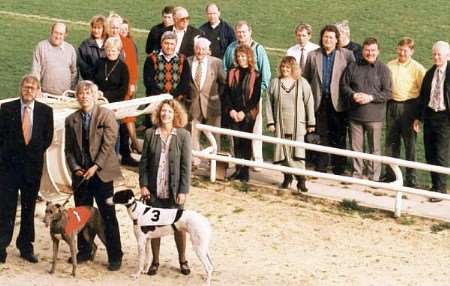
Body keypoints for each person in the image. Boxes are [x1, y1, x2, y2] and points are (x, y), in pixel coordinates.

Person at [65, 80, 123, 270]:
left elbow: (109, 145)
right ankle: (84, 250)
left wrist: (95, 166)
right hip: (81, 176)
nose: (84, 96)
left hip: (102, 174)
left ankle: (115, 255)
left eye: (88, 93)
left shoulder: (106, 115)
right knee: (80, 214)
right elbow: (69, 151)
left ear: (96, 95)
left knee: (108, 215)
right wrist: (75, 168)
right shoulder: (71, 120)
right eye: (80, 93)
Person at [0, 74, 54, 263]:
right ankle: (1, 246)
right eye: (26, 87)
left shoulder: (46, 111)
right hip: (9, 169)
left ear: (38, 91)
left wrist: (32, 155)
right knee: (6, 207)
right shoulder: (6, 109)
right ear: (21, 88)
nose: (29, 90)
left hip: (32, 168)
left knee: (29, 208)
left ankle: (25, 246)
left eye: (32, 87)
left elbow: (47, 139)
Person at [139, 99, 192, 276]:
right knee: (155, 225)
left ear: (175, 114)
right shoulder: (149, 134)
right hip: (154, 189)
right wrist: (144, 185)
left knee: (178, 225)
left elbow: (186, 166)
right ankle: (155, 261)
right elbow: (144, 162)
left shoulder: (183, 135)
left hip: (174, 190)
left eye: (169, 111)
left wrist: (183, 191)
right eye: (163, 111)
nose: (165, 114)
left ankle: (182, 259)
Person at [303, 24, 355, 174]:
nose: (328, 40)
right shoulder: (313, 55)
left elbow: (351, 79)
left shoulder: (346, 55)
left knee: (338, 135)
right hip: (319, 102)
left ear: (336, 39)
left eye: (331, 37)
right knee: (321, 135)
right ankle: (321, 166)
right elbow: (306, 78)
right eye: (325, 37)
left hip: (338, 103)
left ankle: (339, 168)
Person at [341, 37, 392, 181]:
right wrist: (353, 95)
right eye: (367, 50)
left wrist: (370, 97)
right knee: (356, 148)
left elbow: (388, 93)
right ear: (362, 50)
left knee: (374, 149)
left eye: (373, 50)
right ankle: (357, 173)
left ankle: (373, 177)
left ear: (378, 51)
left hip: (375, 117)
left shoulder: (383, 69)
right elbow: (344, 86)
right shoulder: (353, 66)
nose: (370, 53)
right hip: (355, 115)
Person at [223, 21, 271, 167]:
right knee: (235, 132)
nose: (241, 35)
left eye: (244, 32)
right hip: (235, 95)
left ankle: (256, 159)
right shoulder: (231, 47)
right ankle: (237, 161)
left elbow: (265, 74)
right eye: (238, 32)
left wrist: (258, 94)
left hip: (252, 97)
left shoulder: (258, 48)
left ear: (250, 32)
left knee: (254, 130)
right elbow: (225, 67)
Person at [381, 37, 426, 187]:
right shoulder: (390, 65)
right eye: (400, 49)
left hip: (410, 107)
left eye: (405, 50)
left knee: (410, 144)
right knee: (391, 142)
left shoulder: (418, 68)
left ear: (411, 51)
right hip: (393, 106)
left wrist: (418, 116)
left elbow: (423, 92)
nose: (402, 53)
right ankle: (390, 174)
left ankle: (411, 177)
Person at [266, 56, 315, 192]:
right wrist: (271, 122)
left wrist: (311, 123)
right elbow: (269, 103)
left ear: (293, 68)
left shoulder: (302, 83)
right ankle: (287, 177)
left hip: (298, 125)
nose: (285, 69)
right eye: (283, 66)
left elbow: (309, 103)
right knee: (283, 152)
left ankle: (301, 180)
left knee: (297, 153)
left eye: (288, 67)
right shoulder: (275, 82)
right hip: (281, 124)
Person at [413, 41, 450, 202]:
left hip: (445, 118)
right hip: (430, 117)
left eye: (439, 54)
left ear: (447, 56)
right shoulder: (430, 73)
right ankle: (435, 185)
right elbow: (423, 98)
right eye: (434, 54)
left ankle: (441, 190)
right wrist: (418, 118)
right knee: (430, 153)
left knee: (441, 154)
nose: (436, 57)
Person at [223, 45, 262, 182]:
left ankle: (245, 172)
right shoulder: (231, 72)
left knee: (246, 143)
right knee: (236, 142)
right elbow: (226, 93)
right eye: (239, 56)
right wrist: (232, 110)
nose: (240, 59)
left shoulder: (255, 74)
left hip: (247, 115)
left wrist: (244, 113)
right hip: (233, 113)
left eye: (243, 56)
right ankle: (238, 170)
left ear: (249, 57)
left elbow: (255, 97)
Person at [188, 37, 226, 167]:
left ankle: (216, 164)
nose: (200, 52)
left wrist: (217, 96)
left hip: (212, 105)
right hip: (193, 105)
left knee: (215, 134)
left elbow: (223, 83)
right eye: (198, 49)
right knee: (193, 133)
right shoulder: (187, 62)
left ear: (208, 50)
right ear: (194, 49)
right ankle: (194, 161)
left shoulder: (216, 63)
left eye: (203, 49)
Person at [143, 31, 190, 114]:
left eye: (172, 44)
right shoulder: (151, 58)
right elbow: (148, 81)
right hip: (155, 100)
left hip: (176, 100)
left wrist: (173, 95)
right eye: (166, 43)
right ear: (161, 43)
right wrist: (161, 95)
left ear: (176, 45)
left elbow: (185, 81)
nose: (169, 47)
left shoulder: (183, 59)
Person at [32, 22, 77, 95]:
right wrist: (37, 88)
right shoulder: (41, 47)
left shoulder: (70, 49)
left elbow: (74, 72)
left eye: (61, 34)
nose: (58, 36)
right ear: (51, 32)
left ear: (65, 35)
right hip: (44, 95)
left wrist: (71, 91)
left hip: (64, 96)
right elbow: (36, 71)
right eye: (56, 33)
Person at [120, 19, 141, 153]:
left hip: (127, 85)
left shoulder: (129, 44)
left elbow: (133, 66)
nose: (123, 32)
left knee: (128, 116)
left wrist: (133, 83)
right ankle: (133, 144)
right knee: (125, 116)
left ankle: (133, 142)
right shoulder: (115, 41)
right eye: (121, 29)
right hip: (117, 84)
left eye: (125, 30)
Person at [78, 15, 106, 81]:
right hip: (91, 83)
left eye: (99, 28)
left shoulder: (109, 43)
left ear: (103, 29)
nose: (96, 31)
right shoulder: (85, 44)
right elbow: (82, 65)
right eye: (94, 27)